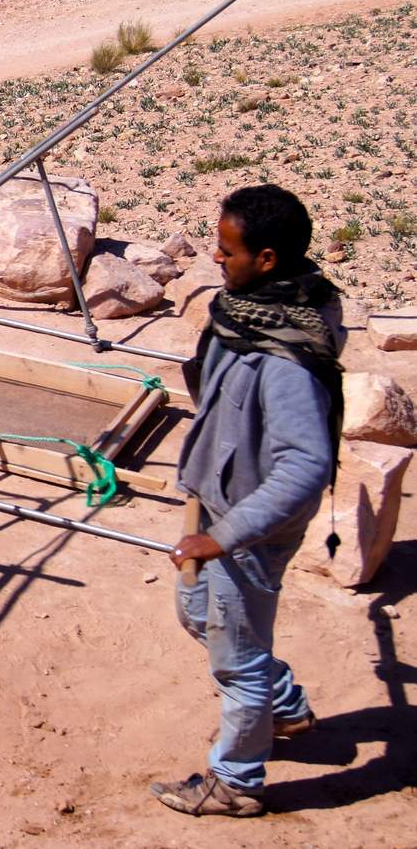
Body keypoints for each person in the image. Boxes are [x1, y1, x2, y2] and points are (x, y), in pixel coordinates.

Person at [151, 184, 344, 817]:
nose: (215, 256)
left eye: (227, 249)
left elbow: (306, 466)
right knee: (198, 615)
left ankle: (235, 783)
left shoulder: (287, 360)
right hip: (214, 504)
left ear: (266, 258)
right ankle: (282, 705)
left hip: (249, 527)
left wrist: (224, 535)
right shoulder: (259, 308)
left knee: (236, 658)